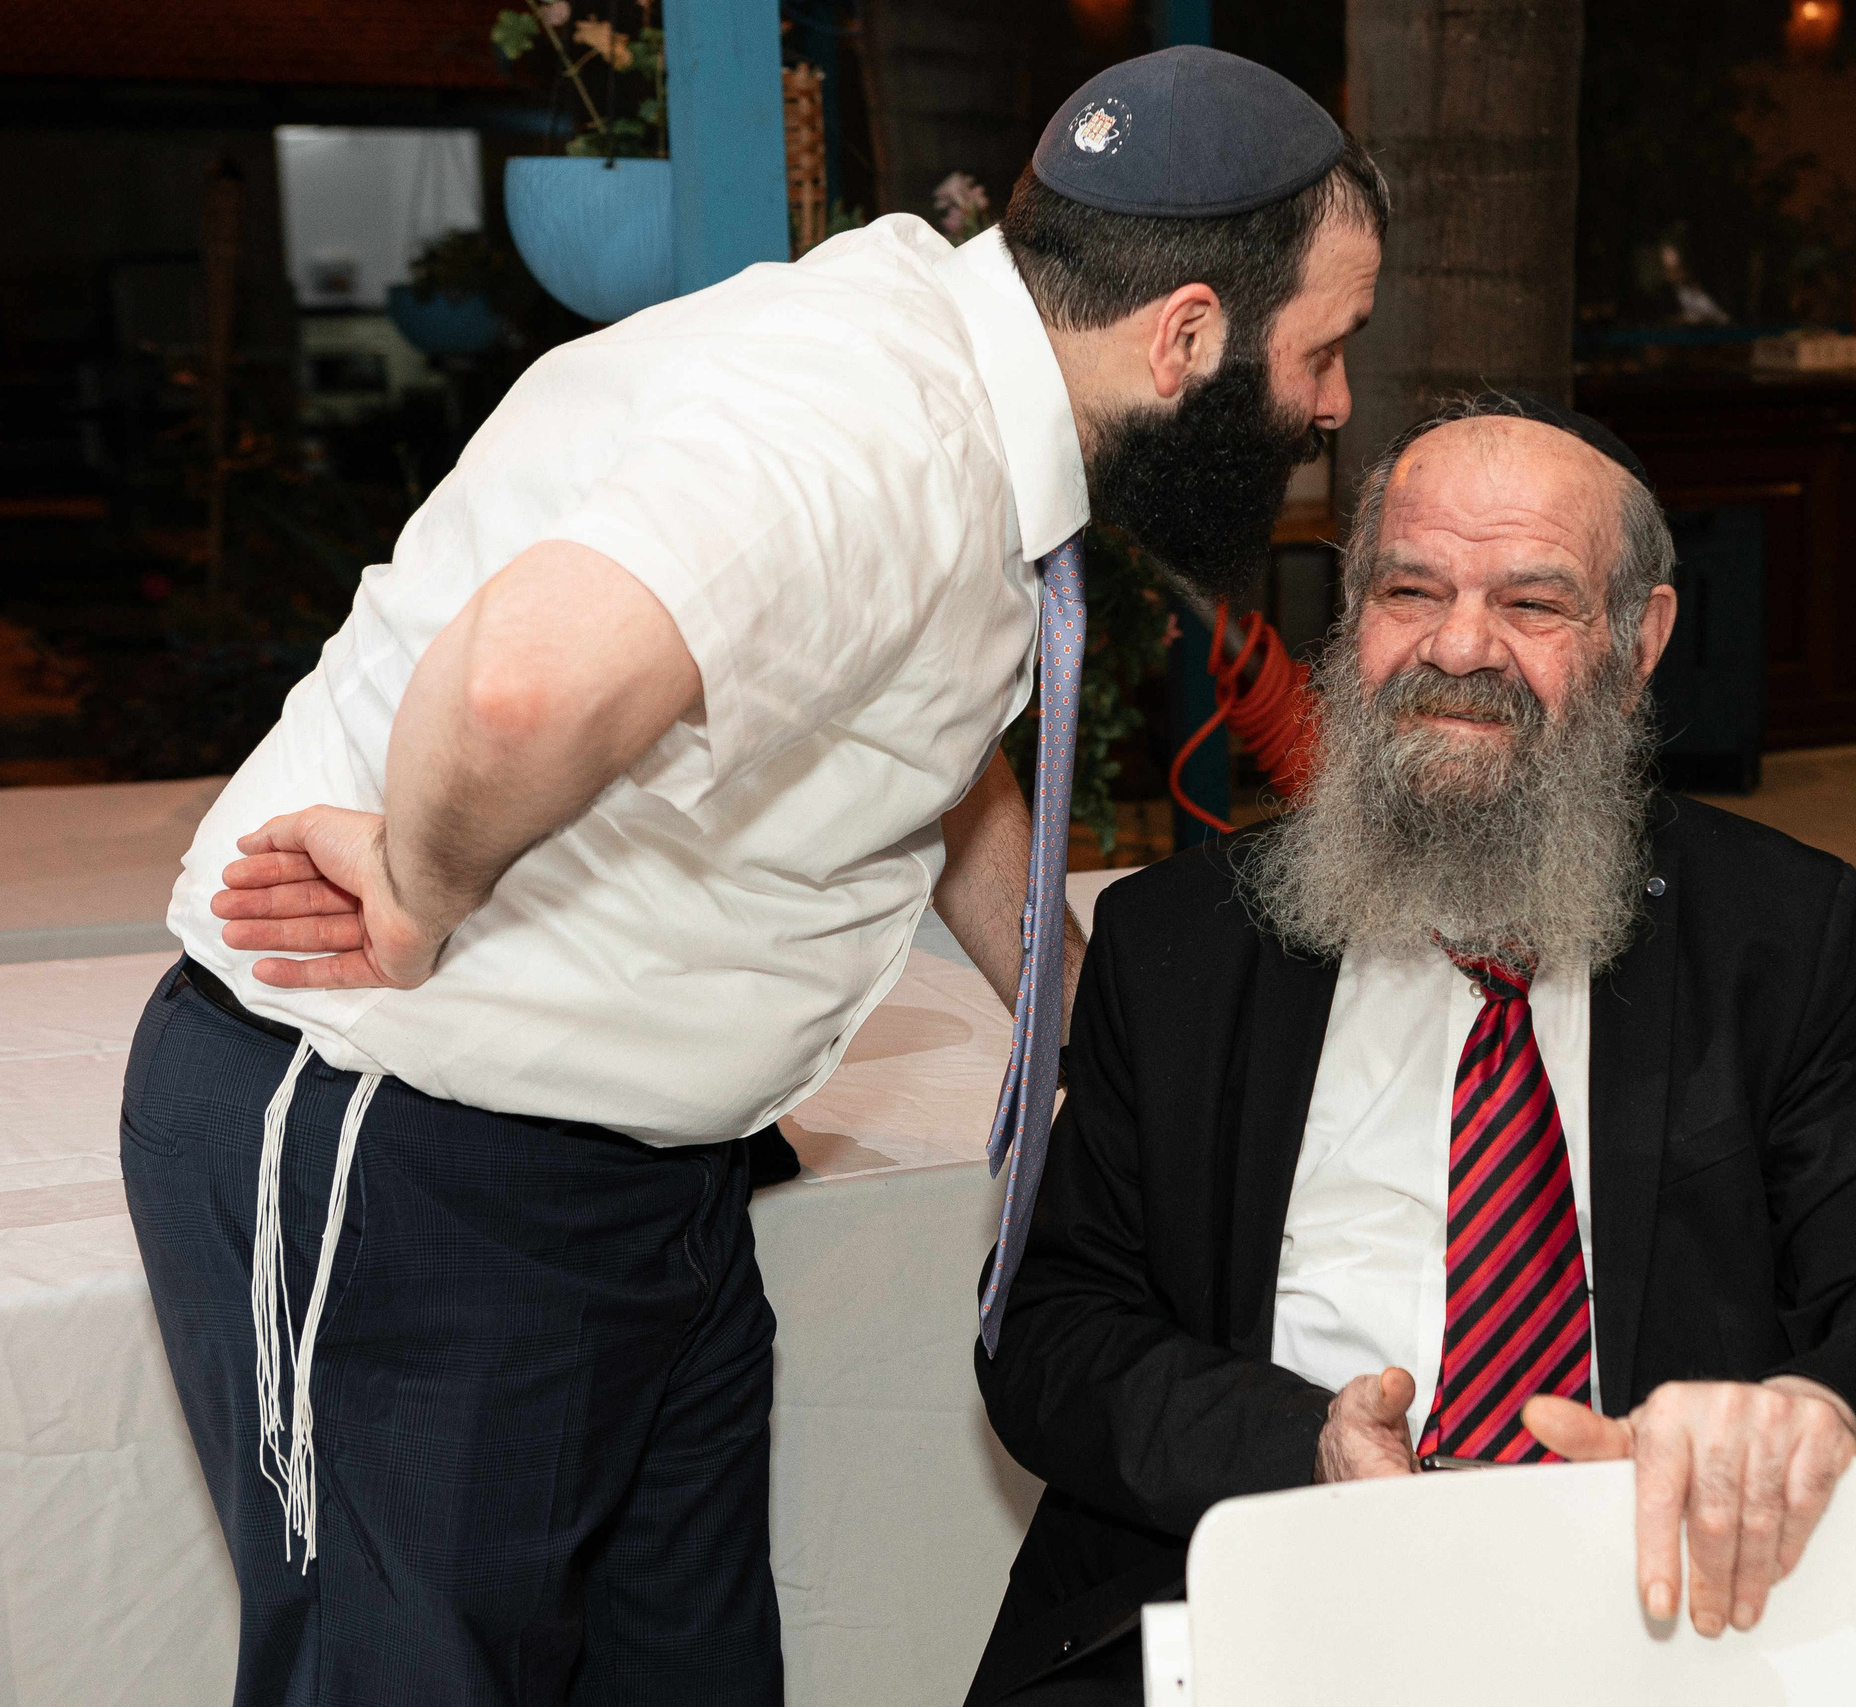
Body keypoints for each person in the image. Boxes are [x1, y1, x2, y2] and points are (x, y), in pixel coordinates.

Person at [119, 46, 1384, 1707]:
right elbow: (527, 682)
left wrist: (1067, 1024)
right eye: (1327, 349)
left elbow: (914, 732)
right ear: (1191, 335)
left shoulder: (967, 384)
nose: (1338, 405)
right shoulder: (873, 433)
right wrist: (422, 882)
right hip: (421, 1142)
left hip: (648, 1183)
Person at [967, 393, 1856, 1705]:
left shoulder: (1770, 933)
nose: (1460, 646)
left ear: (1641, 640)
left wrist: (1808, 1410)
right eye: (1412, 590)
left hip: (1634, 1615)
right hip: (1263, 1586)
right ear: (1354, 618)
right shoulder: (1182, 945)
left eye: (1532, 604)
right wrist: (1303, 1448)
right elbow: (1047, 1336)